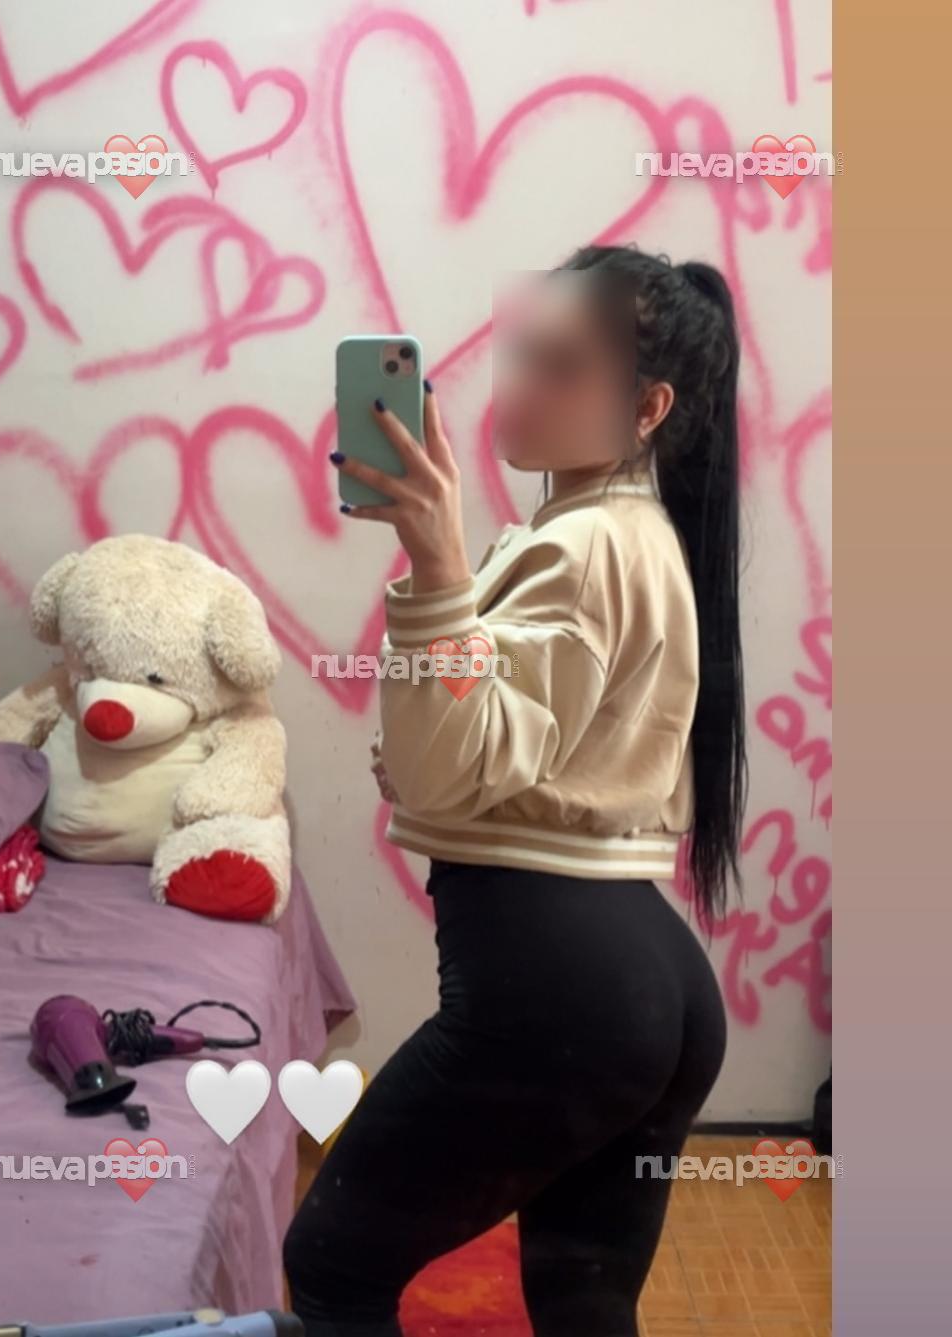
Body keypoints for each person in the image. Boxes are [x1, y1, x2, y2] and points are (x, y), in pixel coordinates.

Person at [283, 243, 746, 1337]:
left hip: (563, 995)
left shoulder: (583, 548)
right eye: (521, 355)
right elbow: (504, 752)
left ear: (649, 408)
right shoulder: (627, 534)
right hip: (650, 991)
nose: (520, 387)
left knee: (333, 1263)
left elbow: (450, 764)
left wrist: (438, 567)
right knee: (584, 1297)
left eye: (562, 367)